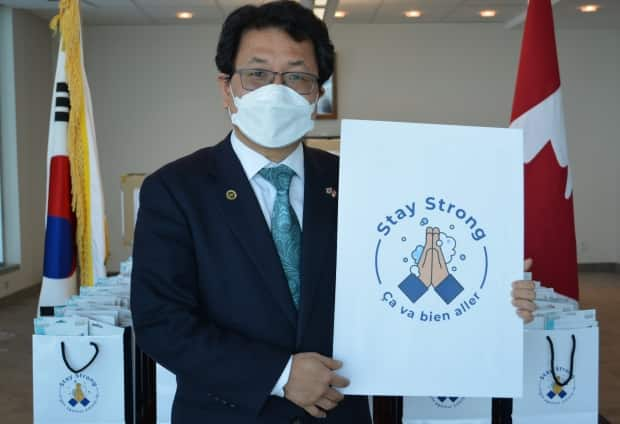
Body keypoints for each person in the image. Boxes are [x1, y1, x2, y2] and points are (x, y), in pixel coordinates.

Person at [129, 2, 537, 423]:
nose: (277, 90)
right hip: (226, 413)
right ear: (225, 88)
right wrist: (281, 374)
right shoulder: (176, 189)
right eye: (257, 74)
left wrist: (489, 302)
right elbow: (161, 322)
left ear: (316, 93)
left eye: (297, 77)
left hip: (340, 412)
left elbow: (401, 285)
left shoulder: (360, 183)